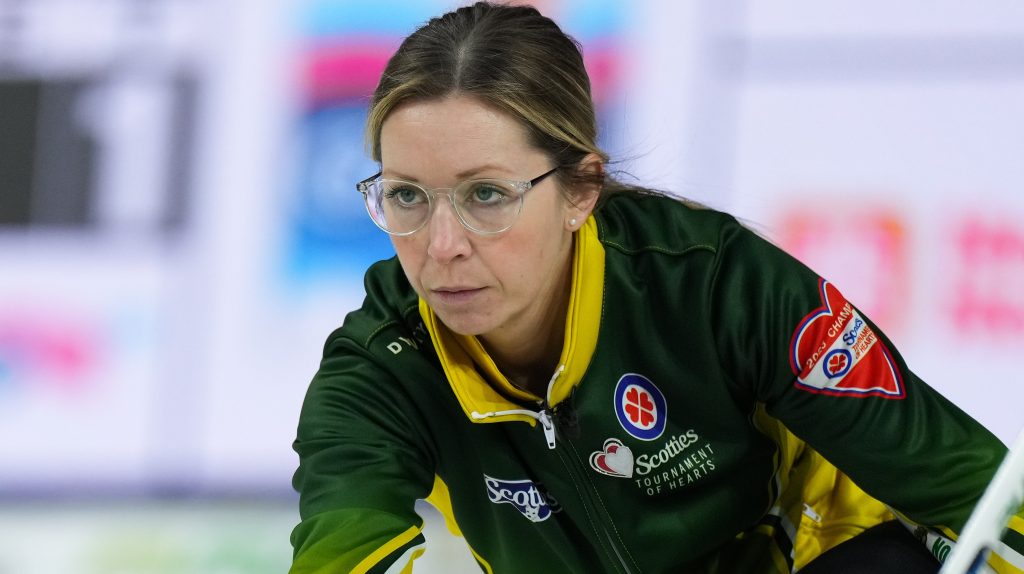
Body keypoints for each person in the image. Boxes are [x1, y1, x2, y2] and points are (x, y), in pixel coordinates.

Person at [289, 3, 1024, 573]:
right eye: (408, 196)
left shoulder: (717, 285)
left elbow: (976, 494)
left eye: (487, 195)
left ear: (581, 190)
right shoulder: (380, 367)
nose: (441, 246)